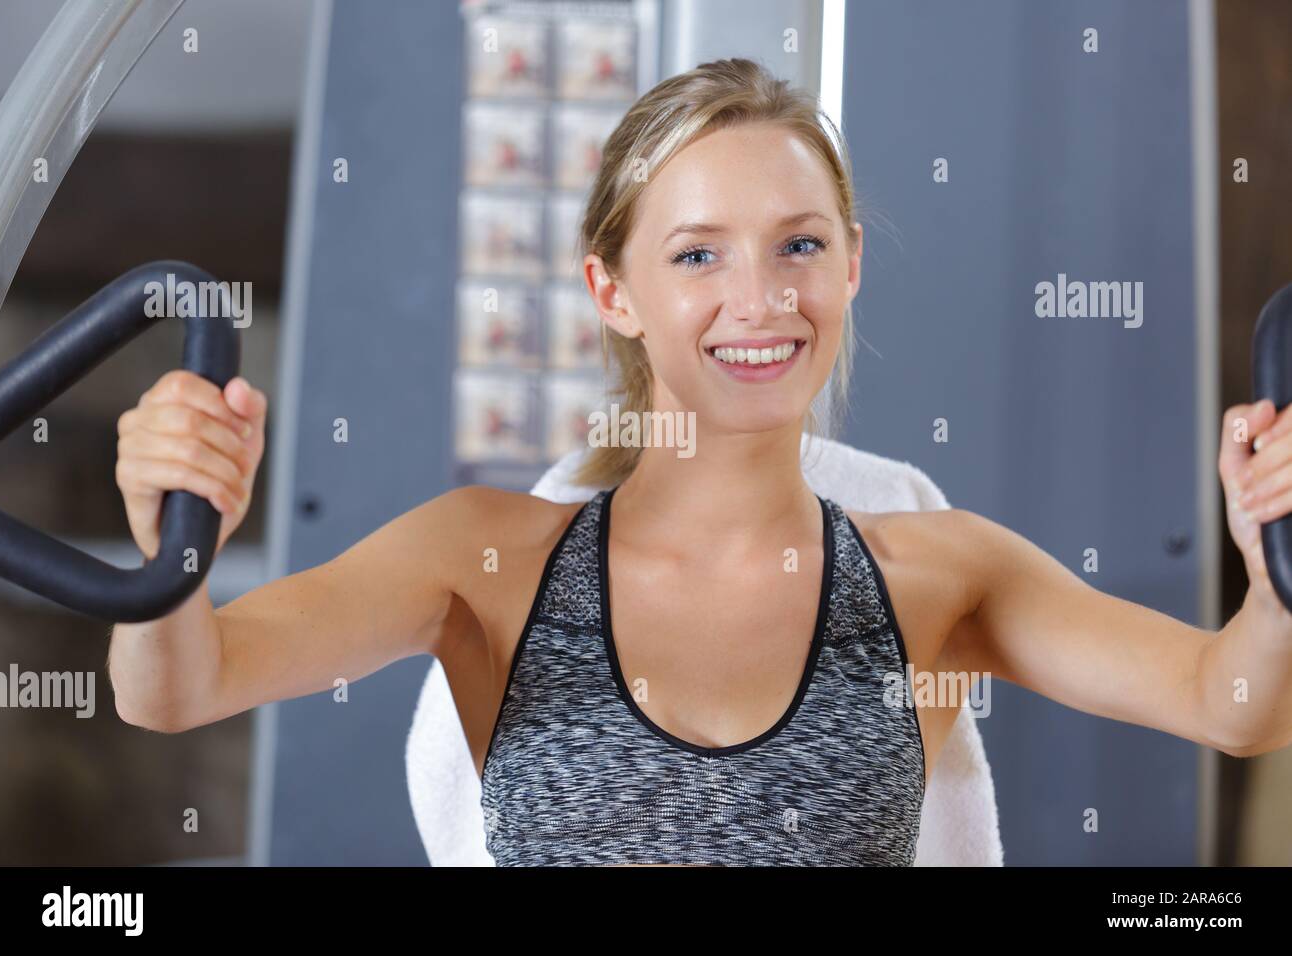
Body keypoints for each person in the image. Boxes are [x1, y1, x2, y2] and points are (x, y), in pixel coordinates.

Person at [108, 58, 1292, 866]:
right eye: (696, 256)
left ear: (851, 264)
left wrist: (1274, 563)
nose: (760, 299)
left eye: (799, 244)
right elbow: (177, 687)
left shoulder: (937, 570)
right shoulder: (486, 558)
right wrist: (170, 529)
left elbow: (1233, 703)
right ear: (609, 290)